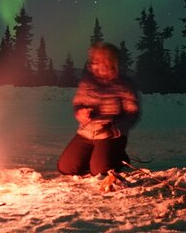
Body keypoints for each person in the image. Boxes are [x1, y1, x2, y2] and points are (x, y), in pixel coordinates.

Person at [58, 42, 140, 176]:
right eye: (94, 61)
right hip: (87, 132)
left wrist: (116, 128)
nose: (95, 65)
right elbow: (78, 104)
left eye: (99, 61)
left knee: (100, 171)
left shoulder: (124, 84)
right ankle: (96, 155)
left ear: (110, 62)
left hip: (110, 135)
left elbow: (133, 113)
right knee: (66, 168)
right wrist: (81, 113)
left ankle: (117, 156)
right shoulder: (88, 83)